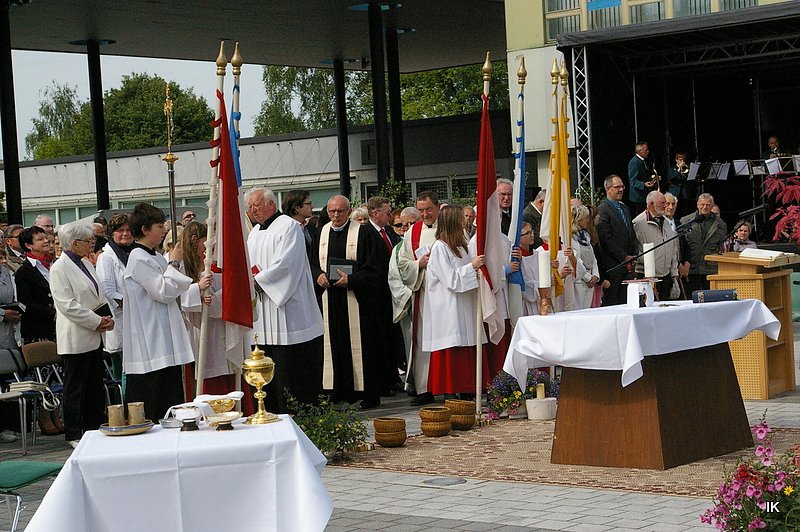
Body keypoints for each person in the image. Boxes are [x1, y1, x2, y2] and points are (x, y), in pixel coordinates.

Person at [122, 203, 208, 423]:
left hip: (164, 331)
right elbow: (162, 291)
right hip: (151, 337)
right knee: (154, 392)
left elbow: (174, 287)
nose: (163, 230)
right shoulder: (138, 258)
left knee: (170, 390)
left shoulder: (157, 257)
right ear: (144, 230)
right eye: (159, 226)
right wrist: (175, 261)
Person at [248, 189, 325, 413]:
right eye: (251, 206)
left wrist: (258, 281)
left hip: (289, 311)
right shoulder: (254, 232)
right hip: (263, 312)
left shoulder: (288, 226)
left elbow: (287, 265)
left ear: (271, 204)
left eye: (257, 205)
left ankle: (297, 414)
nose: (253, 210)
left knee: (290, 374)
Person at [312, 195, 388, 410]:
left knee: (362, 347)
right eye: (332, 211)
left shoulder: (364, 233)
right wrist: (318, 274)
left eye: (340, 211)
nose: (336, 215)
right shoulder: (322, 232)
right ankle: (336, 391)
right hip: (330, 300)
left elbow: (376, 266)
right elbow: (311, 261)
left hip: (358, 300)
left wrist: (352, 280)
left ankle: (368, 393)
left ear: (349, 210)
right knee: (332, 344)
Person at [49, 222, 114, 448]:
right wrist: (96, 321)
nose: (91, 245)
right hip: (76, 335)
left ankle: (93, 427)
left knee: (94, 385)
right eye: (88, 241)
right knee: (75, 387)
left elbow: (98, 294)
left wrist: (107, 317)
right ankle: (74, 432)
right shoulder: (59, 268)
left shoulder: (86, 263)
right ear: (75, 243)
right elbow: (66, 305)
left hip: (94, 334)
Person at [422, 205, 486, 397]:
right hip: (448, 310)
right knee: (452, 351)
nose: (464, 223)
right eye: (460, 219)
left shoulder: (460, 246)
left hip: (464, 305)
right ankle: (451, 393)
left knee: (466, 349)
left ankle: (467, 390)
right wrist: (472, 267)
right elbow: (451, 280)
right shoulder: (440, 248)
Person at [394, 191, 440, 406]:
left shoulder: (448, 225)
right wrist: (417, 265)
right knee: (422, 341)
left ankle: (455, 388)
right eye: (420, 210)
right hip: (423, 292)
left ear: (437, 207)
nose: (424, 214)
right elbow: (402, 263)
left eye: (428, 209)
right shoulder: (413, 232)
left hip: (447, 295)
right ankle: (424, 388)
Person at [95, 213, 134, 383]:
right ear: (112, 233)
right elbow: (107, 291)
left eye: (128, 230)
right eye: (120, 230)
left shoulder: (137, 253)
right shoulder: (106, 258)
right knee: (125, 371)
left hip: (139, 319)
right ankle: (125, 407)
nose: (125, 233)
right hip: (120, 318)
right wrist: (132, 302)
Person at [597, 175, 637, 306]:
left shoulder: (624, 208)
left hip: (628, 265)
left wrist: (634, 254)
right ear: (608, 189)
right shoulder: (603, 209)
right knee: (614, 302)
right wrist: (623, 257)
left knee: (627, 301)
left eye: (622, 186)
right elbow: (606, 239)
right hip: (614, 265)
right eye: (617, 187)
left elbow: (631, 232)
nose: (621, 189)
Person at [632, 190, 679, 301]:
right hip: (647, 276)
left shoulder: (667, 222)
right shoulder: (639, 223)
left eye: (665, 203)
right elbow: (635, 249)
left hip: (666, 276)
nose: (665, 206)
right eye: (662, 203)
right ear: (651, 205)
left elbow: (673, 249)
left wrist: (674, 272)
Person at [679, 193, 727, 295]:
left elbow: (721, 245)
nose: (705, 207)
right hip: (691, 267)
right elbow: (681, 245)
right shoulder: (685, 221)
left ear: (712, 206)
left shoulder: (720, 224)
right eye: (702, 204)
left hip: (710, 269)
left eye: (708, 205)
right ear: (697, 205)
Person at [570, 205, 600, 310]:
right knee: (579, 310)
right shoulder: (571, 238)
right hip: (580, 282)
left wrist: (595, 275)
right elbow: (576, 259)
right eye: (585, 218)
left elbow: (593, 257)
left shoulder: (586, 236)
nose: (588, 221)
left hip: (590, 280)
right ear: (579, 219)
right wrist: (587, 277)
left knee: (587, 310)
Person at [627, 141, 656, 216]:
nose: (648, 152)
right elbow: (633, 181)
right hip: (638, 197)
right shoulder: (634, 162)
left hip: (643, 194)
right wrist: (644, 184)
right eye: (646, 150)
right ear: (640, 151)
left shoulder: (643, 160)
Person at [666, 152, 693, 218]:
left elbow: (690, 180)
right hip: (675, 193)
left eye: (683, 160)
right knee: (675, 212)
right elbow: (670, 178)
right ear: (676, 160)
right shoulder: (672, 168)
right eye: (680, 159)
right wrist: (678, 170)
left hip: (685, 193)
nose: (682, 162)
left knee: (686, 212)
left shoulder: (687, 168)